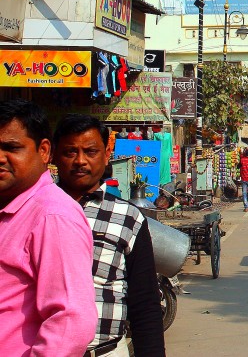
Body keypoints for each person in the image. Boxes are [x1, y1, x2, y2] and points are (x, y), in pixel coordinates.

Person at [51, 114, 165, 357]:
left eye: (90, 152)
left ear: (106, 155)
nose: (80, 161)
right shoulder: (38, 210)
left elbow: (144, 302)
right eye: (70, 152)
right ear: (52, 155)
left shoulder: (128, 217)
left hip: (107, 351)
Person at [0, 99, 97, 357]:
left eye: (11, 147)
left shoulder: (52, 215)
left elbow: (70, 322)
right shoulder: (10, 209)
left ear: (44, 151)